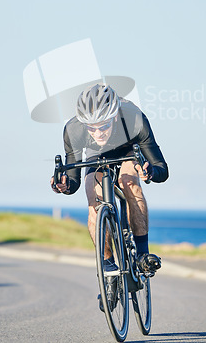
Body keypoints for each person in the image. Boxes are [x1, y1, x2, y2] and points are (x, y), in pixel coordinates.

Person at [51, 84, 168, 285]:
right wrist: (64, 185)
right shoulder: (74, 129)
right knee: (92, 196)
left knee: (129, 182)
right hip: (96, 155)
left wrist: (148, 171)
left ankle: (142, 254)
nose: (98, 134)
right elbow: (73, 181)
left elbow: (162, 170)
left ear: (114, 116)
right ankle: (108, 267)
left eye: (103, 126)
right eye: (91, 128)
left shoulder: (134, 119)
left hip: (128, 150)